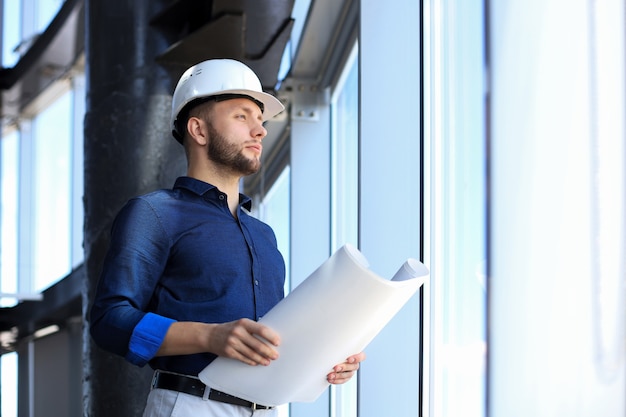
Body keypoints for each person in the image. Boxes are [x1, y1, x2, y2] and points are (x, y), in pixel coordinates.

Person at [89, 58, 365, 417]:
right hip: (192, 405)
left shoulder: (263, 235)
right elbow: (109, 320)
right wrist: (209, 336)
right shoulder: (154, 213)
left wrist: (324, 356)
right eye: (242, 116)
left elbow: (267, 340)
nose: (260, 130)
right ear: (199, 130)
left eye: (260, 120)